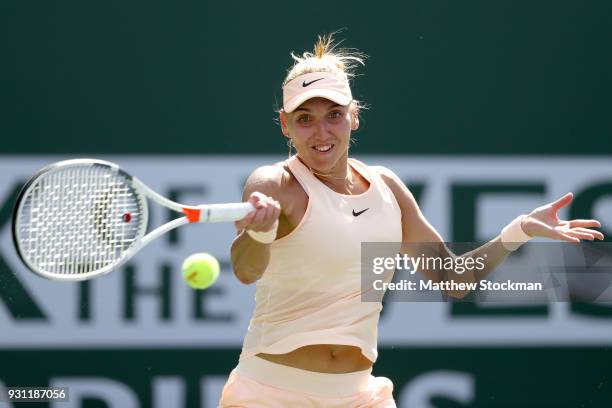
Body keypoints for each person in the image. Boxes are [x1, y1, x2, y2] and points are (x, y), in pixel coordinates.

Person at [217, 34, 604, 407]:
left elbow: (453, 279)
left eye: (334, 115)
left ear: (353, 117)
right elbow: (246, 270)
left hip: (359, 396)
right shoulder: (273, 184)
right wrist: (261, 231)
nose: (322, 132)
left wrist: (517, 231)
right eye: (305, 119)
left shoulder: (387, 187)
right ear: (285, 125)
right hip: (271, 393)